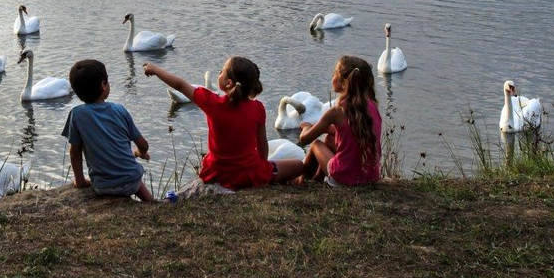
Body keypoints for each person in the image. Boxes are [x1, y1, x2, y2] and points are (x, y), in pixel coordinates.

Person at [143, 56, 304, 189]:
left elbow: (180, 84)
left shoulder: (211, 103)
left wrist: (155, 69)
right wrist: (262, 169)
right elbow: (262, 145)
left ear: (228, 83)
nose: (219, 72)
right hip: (249, 173)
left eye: (222, 70)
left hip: (217, 174)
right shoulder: (258, 108)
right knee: (298, 165)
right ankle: (290, 182)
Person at [61, 59, 154, 201]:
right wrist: (141, 152)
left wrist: (80, 181)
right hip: (131, 182)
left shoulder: (76, 115)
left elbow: (75, 152)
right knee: (133, 178)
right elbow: (144, 145)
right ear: (103, 85)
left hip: (102, 187)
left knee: (128, 177)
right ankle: (152, 202)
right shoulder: (119, 110)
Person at [296, 55, 382, 186]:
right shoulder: (373, 106)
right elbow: (351, 132)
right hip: (371, 177)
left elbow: (304, 139)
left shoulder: (336, 111)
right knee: (330, 139)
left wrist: (306, 127)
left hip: (344, 179)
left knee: (316, 145)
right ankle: (317, 179)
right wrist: (327, 129)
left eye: (334, 73)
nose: (332, 77)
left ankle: (301, 181)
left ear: (343, 82)